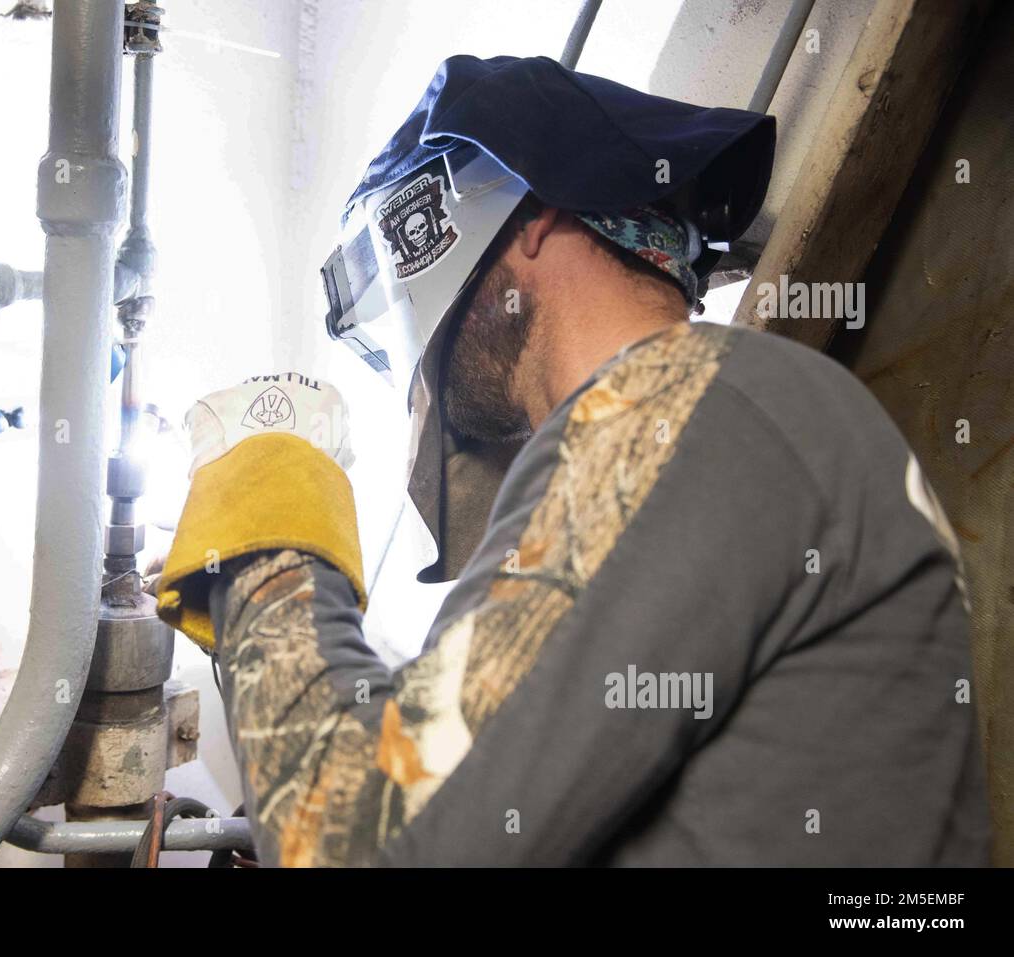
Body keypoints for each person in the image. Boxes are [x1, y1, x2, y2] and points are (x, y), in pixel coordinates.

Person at [156, 55, 990, 866]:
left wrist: (262, 498)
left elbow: (359, 839)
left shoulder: (680, 409)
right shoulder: (739, 413)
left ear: (532, 219)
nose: (415, 349)